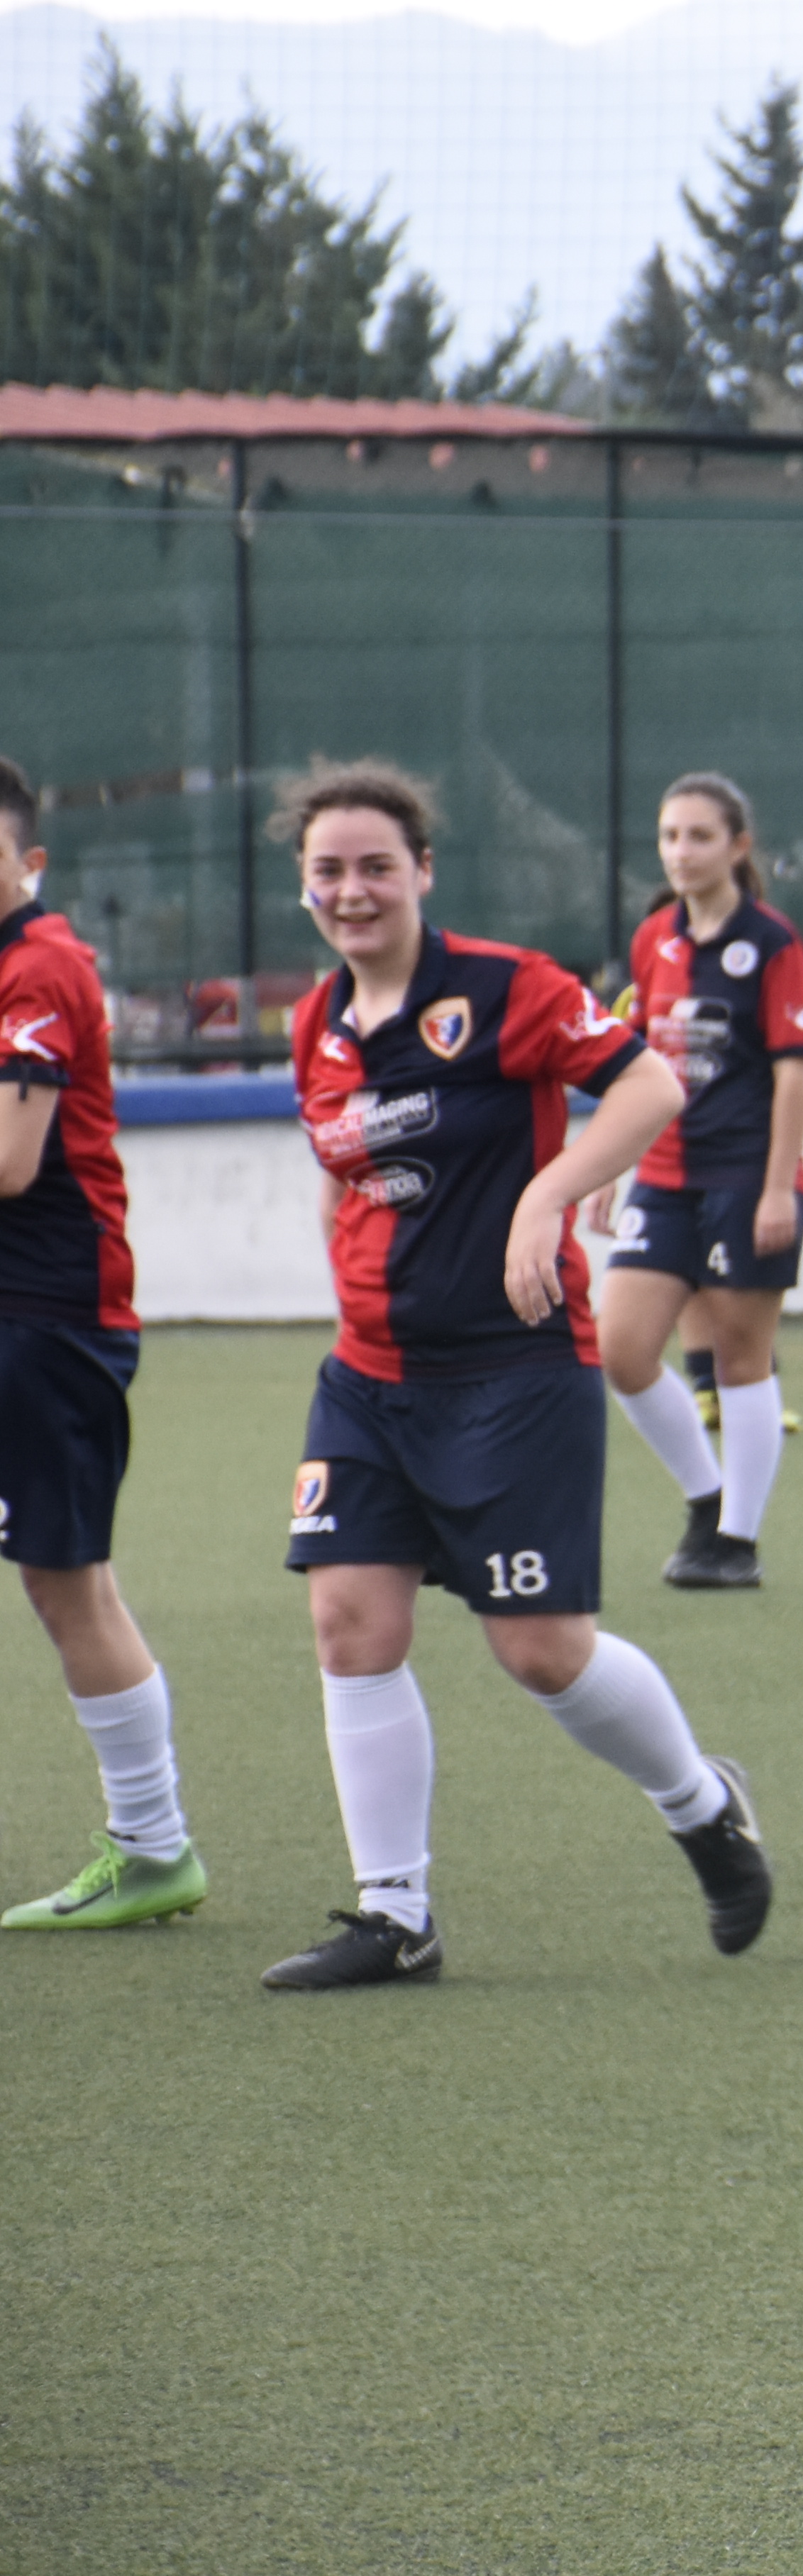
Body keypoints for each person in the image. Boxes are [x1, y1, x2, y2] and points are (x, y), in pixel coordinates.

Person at [262, 760, 772, 1991]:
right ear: (305, 889)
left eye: (377, 865)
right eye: (328, 870)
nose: (353, 890)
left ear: (423, 873)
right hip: (372, 1375)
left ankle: (703, 1806)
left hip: (515, 1370)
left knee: (541, 1649)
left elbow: (648, 1081)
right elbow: (342, 1162)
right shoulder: (314, 1022)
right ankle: (398, 1919)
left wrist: (551, 1191)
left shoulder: (507, 988)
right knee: (350, 1621)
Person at [0, 757, 206, 1934]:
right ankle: (152, 1843)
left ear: (31, 863)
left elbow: (11, 1162)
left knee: (67, 1584)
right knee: (64, 1581)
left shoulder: (41, 966)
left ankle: (153, 1846)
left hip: (46, 1322)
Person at [595, 772, 803, 1589]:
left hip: (744, 1176)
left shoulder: (773, 943)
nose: (681, 852)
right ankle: (705, 1496)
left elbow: (793, 1074)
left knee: (739, 1356)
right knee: (620, 1350)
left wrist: (774, 1189)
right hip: (663, 1176)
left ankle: (736, 1541)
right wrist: (606, 1164)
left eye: (698, 836)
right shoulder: (653, 938)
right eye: (668, 836)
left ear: (738, 846)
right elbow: (634, 1065)